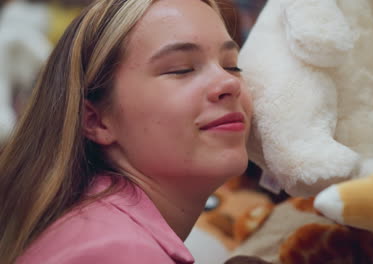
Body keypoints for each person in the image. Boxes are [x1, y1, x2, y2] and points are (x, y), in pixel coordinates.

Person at [0, 0, 252, 263]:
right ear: (96, 120)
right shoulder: (115, 252)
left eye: (232, 65)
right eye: (182, 69)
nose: (228, 82)